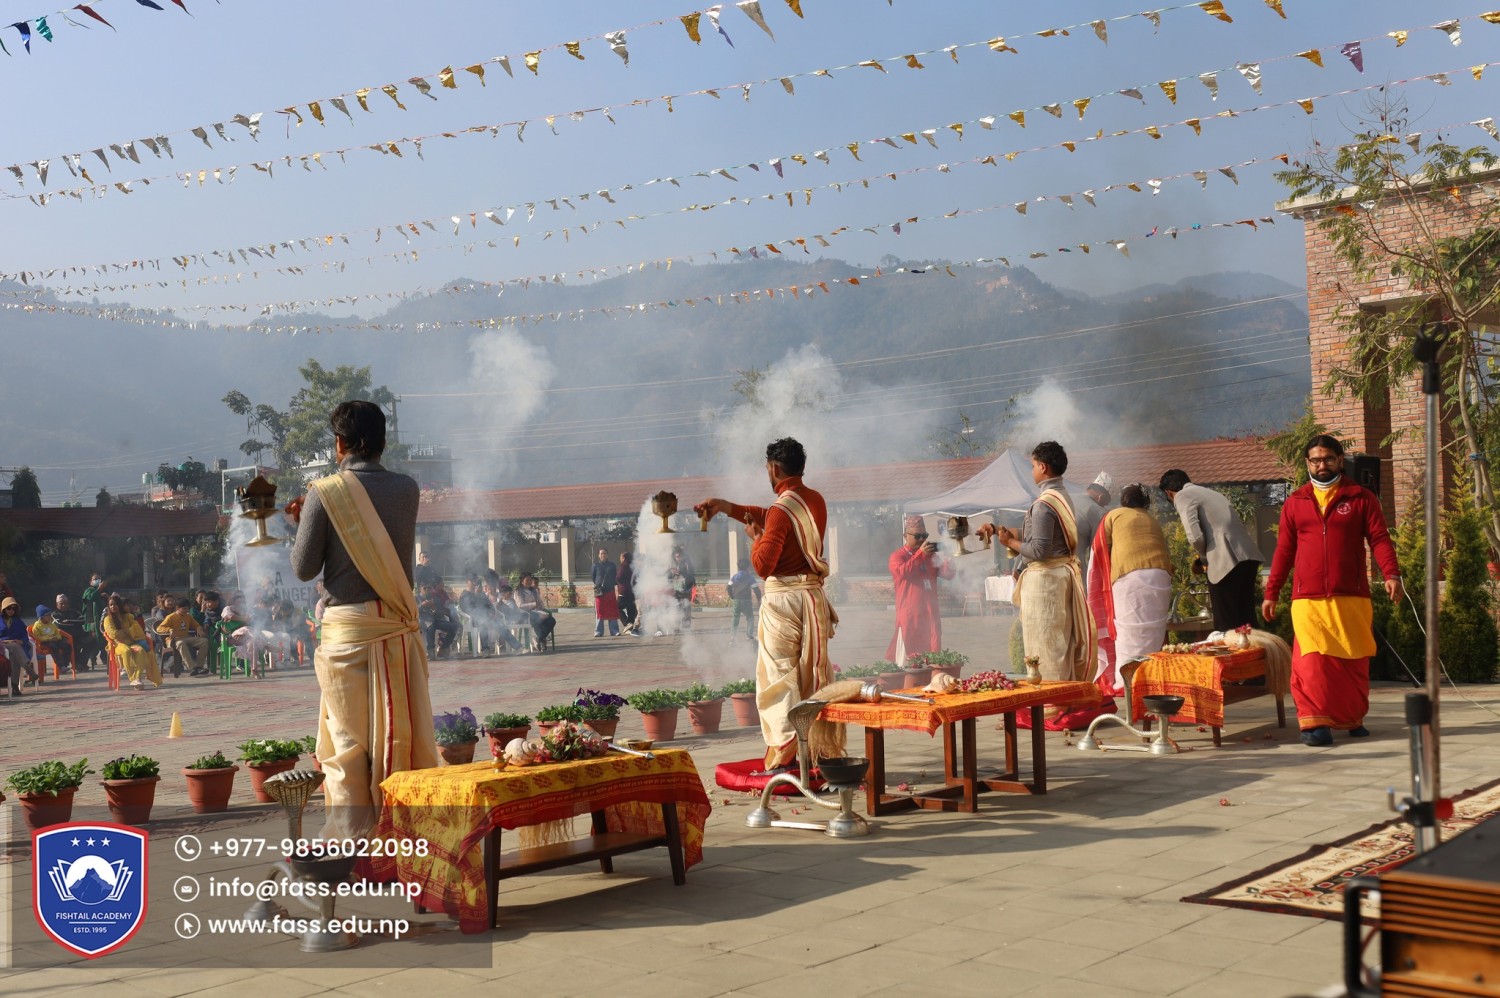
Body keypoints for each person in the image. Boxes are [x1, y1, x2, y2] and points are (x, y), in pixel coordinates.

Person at [288, 399, 436, 838]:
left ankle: (353, 841)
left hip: (348, 631)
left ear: (339, 443)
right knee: (400, 731)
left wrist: (302, 521)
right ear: (382, 442)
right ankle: (409, 832)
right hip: (395, 622)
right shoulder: (408, 488)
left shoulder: (324, 493)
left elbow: (303, 567)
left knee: (348, 743)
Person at [695, 437, 836, 772]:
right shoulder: (813, 499)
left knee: (778, 675)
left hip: (784, 602)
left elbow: (762, 565)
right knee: (810, 674)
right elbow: (772, 517)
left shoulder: (780, 509)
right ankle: (815, 747)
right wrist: (727, 507)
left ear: (773, 468)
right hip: (811, 598)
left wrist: (756, 540)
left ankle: (785, 741)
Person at [1262, 435, 1401, 747]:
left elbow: (1379, 538)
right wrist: (1272, 592)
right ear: (1307, 463)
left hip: (1351, 595)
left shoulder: (1361, 497)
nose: (1321, 465)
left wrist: (1391, 573)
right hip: (1307, 599)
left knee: (1351, 660)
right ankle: (1315, 723)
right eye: (1315, 460)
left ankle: (1351, 718)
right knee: (1311, 663)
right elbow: (1284, 551)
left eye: (1327, 459)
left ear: (1340, 460)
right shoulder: (1295, 502)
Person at [978, 441, 1096, 699]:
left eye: (1033, 466)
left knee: (1046, 645)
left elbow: (1040, 550)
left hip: (1046, 582)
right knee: (1058, 643)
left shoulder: (1044, 504)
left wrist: (1010, 543)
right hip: (1058, 577)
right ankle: (1061, 696)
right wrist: (1000, 529)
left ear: (1043, 467)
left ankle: (1051, 701)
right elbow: (1039, 538)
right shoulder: (1061, 496)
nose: (1031, 471)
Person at [1087, 484, 1174, 694]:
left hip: (1129, 576)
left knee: (1128, 632)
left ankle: (1126, 683)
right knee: (1154, 631)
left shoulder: (1113, 515)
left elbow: (1099, 548)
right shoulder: (1152, 519)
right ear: (1145, 503)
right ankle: (1151, 679)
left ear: (1123, 500)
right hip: (1161, 576)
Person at [1159, 468, 1263, 631]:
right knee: (1247, 621)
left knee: (1227, 625)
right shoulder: (1211, 492)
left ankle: (1233, 656)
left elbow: (1195, 537)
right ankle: (1258, 654)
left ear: (1169, 493)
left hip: (1225, 559)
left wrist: (1203, 560)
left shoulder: (1182, 496)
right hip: (1247, 555)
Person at [886, 515, 955, 662]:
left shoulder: (930, 556)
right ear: (905, 536)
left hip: (930, 612)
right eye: (917, 536)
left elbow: (948, 574)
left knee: (932, 650)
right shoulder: (898, 556)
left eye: (924, 536)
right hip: (910, 614)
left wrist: (948, 557)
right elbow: (902, 572)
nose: (922, 540)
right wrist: (920, 554)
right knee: (907, 655)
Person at [102, 593, 160, 689]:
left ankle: (137, 678)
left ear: (120, 605)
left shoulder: (128, 616)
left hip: (132, 643)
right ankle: (132, 678)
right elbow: (114, 634)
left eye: (115, 604)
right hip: (118, 644)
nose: (113, 607)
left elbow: (138, 629)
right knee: (126, 651)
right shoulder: (108, 619)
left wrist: (124, 632)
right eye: (111, 605)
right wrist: (128, 631)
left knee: (141, 651)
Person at [156, 596, 211, 677]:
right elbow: (159, 628)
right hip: (173, 640)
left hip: (186, 637)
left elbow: (196, 625)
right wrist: (170, 630)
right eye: (184, 608)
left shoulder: (188, 616)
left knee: (204, 641)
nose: (187, 610)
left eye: (187, 608)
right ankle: (192, 668)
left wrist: (199, 628)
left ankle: (199, 666)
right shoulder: (170, 617)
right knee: (181, 643)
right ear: (178, 608)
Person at [1075, 474, 1114, 580]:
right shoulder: (1099, 512)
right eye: (1104, 504)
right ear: (1101, 497)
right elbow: (1097, 550)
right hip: (1073, 566)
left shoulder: (1069, 496)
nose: (1104, 507)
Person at [0, 597, 37, 694]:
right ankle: (28, 668)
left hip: (15, 646)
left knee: (15, 654)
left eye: (13, 608)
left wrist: (21, 641)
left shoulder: (18, 621)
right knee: (15, 648)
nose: (11, 611)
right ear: (4, 609)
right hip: (2, 645)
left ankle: (14, 685)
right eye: (9, 608)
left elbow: (24, 636)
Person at [514, 573, 556, 651]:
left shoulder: (534, 590)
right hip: (525, 614)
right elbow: (520, 605)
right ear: (522, 581)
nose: (529, 582)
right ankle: (542, 641)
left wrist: (542, 610)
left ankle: (538, 639)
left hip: (536, 612)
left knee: (551, 620)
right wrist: (534, 605)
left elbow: (539, 602)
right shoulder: (518, 592)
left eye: (530, 580)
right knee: (538, 620)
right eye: (527, 580)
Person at [53, 594, 94, 672]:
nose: (64, 605)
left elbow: (83, 620)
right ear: (57, 605)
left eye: (66, 603)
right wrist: (75, 622)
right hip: (65, 637)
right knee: (72, 644)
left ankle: (81, 662)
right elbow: (60, 624)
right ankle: (76, 664)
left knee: (92, 640)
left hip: (79, 635)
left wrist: (69, 621)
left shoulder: (73, 612)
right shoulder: (55, 614)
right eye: (61, 603)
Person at [32, 604, 76, 676]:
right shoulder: (37, 626)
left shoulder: (51, 624)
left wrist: (57, 637)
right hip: (45, 642)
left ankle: (64, 664)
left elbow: (57, 632)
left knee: (67, 645)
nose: (49, 616)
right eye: (47, 615)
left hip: (55, 640)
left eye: (49, 614)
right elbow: (37, 637)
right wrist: (49, 638)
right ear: (41, 617)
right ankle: (60, 665)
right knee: (54, 647)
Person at [418, 583, 459, 658]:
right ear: (420, 588)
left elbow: (440, 613)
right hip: (422, 621)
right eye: (425, 588)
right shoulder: (416, 598)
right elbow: (413, 610)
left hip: (435, 620)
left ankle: (443, 648)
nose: (427, 590)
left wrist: (434, 608)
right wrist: (422, 605)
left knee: (454, 626)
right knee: (430, 627)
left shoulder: (435, 599)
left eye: (429, 588)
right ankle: (431, 650)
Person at [727, 564, 763, 645]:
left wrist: (733, 596)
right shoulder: (750, 577)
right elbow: (756, 589)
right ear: (747, 567)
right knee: (750, 617)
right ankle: (749, 636)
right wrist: (759, 600)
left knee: (735, 618)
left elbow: (728, 588)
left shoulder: (735, 577)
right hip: (746, 600)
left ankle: (732, 638)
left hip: (736, 600)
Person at [591, 548, 620, 637]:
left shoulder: (612, 565)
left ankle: (614, 631)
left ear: (607, 555)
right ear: (598, 555)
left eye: (605, 553)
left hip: (610, 591)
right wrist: (598, 584)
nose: (603, 555)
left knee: (612, 612)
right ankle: (598, 631)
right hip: (599, 593)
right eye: (601, 554)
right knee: (599, 612)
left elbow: (616, 577)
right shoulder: (595, 565)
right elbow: (593, 577)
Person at [668, 546, 697, 630]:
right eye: (676, 556)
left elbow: (691, 574)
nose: (678, 558)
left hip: (686, 588)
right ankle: (676, 625)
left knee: (686, 607)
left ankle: (686, 625)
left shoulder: (687, 563)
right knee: (676, 608)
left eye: (679, 556)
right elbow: (668, 576)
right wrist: (672, 573)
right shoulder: (672, 564)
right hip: (676, 589)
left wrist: (681, 571)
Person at [615, 552, 640, 636]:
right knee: (631, 609)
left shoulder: (623, 566)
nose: (620, 559)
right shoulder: (633, 566)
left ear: (624, 558)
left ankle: (627, 624)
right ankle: (631, 625)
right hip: (632, 591)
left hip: (623, 591)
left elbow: (618, 577)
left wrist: (620, 582)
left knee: (617, 607)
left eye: (621, 557)